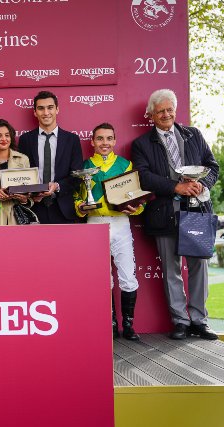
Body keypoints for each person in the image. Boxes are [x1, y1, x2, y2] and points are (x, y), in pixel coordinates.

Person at [131, 89, 219, 340]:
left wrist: (202, 184)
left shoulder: (194, 135)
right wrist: (175, 187)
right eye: (160, 111)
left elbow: (212, 166)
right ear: (151, 115)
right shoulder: (141, 144)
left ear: (175, 110)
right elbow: (143, 177)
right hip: (165, 212)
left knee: (199, 265)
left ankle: (199, 321)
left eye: (169, 110)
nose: (166, 114)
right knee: (171, 269)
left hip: (197, 209)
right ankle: (180, 321)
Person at [74, 123, 143, 340]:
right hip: (94, 223)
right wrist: (80, 207)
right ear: (92, 141)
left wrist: (137, 208)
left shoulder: (125, 165)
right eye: (100, 138)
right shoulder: (84, 166)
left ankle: (128, 325)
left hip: (121, 223)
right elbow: (77, 197)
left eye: (109, 138)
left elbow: (137, 196)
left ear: (114, 141)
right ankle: (110, 323)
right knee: (103, 278)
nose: (105, 143)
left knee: (128, 275)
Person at [18, 91, 83, 224]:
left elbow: (77, 176)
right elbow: (21, 174)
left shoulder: (72, 140)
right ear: (35, 112)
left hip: (63, 208)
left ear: (57, 109)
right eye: (41, 108)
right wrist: (31, 193)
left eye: (50, 107)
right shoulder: (25, 140)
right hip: (34, 208)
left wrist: (57, 186)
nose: (46, 112)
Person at [0, 119, 31, 225]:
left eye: (7, 135)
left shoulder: (23, 160)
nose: (4, 139)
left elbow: (30, 195)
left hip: (16, 220)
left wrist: (24, 199)